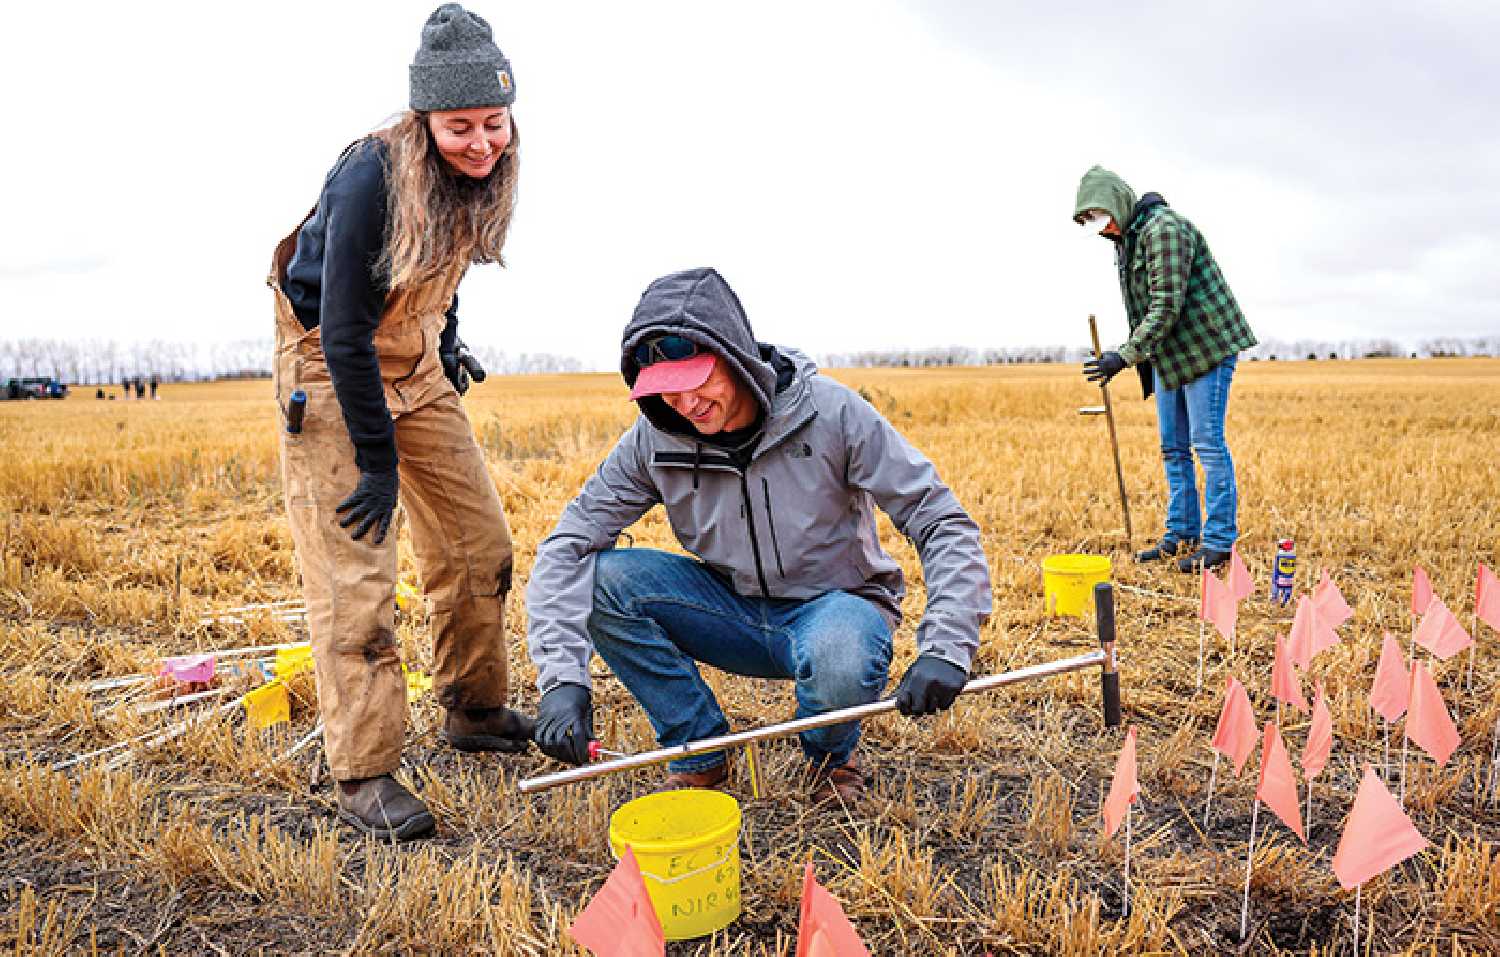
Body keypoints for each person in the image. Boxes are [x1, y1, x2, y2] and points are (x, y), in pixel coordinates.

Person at [526, 268, 992, 805]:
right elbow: (567, 545)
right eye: (665, 391)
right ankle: (698, 750)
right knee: (600, 580)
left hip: (835, 611)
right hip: (728, 610)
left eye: (696, 379)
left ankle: (829, 756)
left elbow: (940, 519)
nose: (684, 404)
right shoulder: (652, 441)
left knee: (840, 653)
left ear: (736, 356)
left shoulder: (833, 413)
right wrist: (563, 680)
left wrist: (948, 647)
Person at [266, 3, 531, 840]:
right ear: (425, 118)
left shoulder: (484, 171)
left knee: (477, 543)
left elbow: (438, 273)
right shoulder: (369, 177)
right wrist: (378, 462)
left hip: (414, 361)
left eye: (495, 122)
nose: (483, 142)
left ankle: (475, 709)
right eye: (461, 126)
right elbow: (342, 328)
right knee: (358, 582)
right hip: (328, 365)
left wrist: (445, 347)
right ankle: (366, 770)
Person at [1074, 166, 1256, 573]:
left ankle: (1219, 542)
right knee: (1173, 448)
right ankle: (1182, 534)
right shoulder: (1127, 240)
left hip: (1205, 347)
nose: (1103, 231)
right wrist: (1135, 353)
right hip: (1170, 355)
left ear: (1119, 202)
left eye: (1103, 219)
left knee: (1207, 444)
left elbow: (1165, 306)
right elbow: (1144, 309)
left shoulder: (1164, 230)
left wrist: (1125, 355)